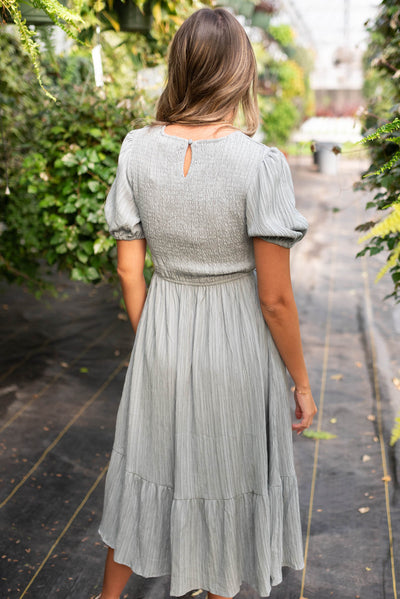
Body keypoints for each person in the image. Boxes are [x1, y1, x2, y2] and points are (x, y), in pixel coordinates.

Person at [95, 6, 317, 599]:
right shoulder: (259, 163)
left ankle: (106, 597)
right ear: (238, 72)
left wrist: (154, 343)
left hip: (162, 335)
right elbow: (274, 300)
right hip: (237, 346)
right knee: (227, 481)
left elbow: (127, 267)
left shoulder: (137, 149)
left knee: (144, 472)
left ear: (181, 68)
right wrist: (300, 381)